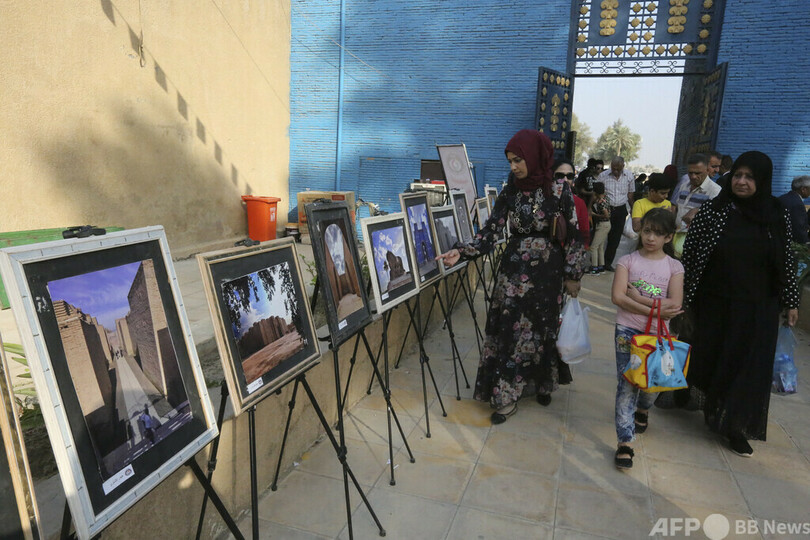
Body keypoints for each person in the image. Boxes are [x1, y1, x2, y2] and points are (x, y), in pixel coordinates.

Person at [436, 129, 587, 424]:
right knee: (510, 332)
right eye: (510, 161)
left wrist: (573, 274)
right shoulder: (510, 191)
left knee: (542, 330)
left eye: (518, 160)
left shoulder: (559, 190)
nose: (514, 166)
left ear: (534, 156)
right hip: (514, 273)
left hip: (548, 275)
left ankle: (541, 383)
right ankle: (506, 396)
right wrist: (462, 252)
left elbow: (574, 234)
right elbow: (491, 230)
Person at [682, 151, 799, 457]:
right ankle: (705, 403)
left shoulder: (777, 213)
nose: (742, 182)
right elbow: (691, 252)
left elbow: (786, 258)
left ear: (762, 180)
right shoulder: (715, 209)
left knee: (747, 365)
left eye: (749, 177)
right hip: (715, 302)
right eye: (737, 176)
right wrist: (683, 295)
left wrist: (791, 301)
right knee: (713, 356)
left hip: (759, 306)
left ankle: (734, 426)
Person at [611, 208, 683, 469]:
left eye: (658, 233)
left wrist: (640, 300)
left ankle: (643, 408)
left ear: (669, 237)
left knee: (653, 385)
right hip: (627, 331)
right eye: (647, 231)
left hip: (658, 335)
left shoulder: (674, 267)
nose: (651, 237)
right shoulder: (627, 261)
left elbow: (675, 304)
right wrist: (656, 309)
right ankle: (625, 442)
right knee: (627, 383)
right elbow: (618, 297)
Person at [598, 156, 636, 271]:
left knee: (615, 239)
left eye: (618, 169)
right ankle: (597, 261)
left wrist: (633, 208)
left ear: (623, 166)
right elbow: (598, 193)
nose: (615, 171)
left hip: (620, 210)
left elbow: (630, 194)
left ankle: (607, 263)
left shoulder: (629, 176)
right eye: (613, 168)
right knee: (600, 236)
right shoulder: (603, 176)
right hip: (606, 209)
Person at [671, 154, 722, 234]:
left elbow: (715, 218)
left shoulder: (715, 191)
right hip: (677, 234)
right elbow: (676, 208)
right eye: (690, 173)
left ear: (707, 170)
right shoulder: (684, 186)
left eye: (698, 173)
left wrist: (697, 211)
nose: (693, 176)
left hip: (697, 237)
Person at [555, 159, 590, 248]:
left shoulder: (579, 203)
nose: (565, 179)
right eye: (560, 175)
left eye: (569, 176)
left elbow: (584, 232)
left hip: (571, 251)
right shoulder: (542, 199)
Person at [778, 175, 810, 244]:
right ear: (803, 189)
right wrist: (806, 243)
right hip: (789, 242)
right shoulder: (798, 204)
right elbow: (799, 229)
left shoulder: (781, 198)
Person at [589, 182, 610, 274]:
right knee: (600, 247)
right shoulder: (606, 198)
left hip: (603, 225)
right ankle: (601, 267)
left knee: (593, 247)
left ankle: (594, 268)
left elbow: (606, 215)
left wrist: (594, 215)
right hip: (606, 225)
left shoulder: (601, 201)